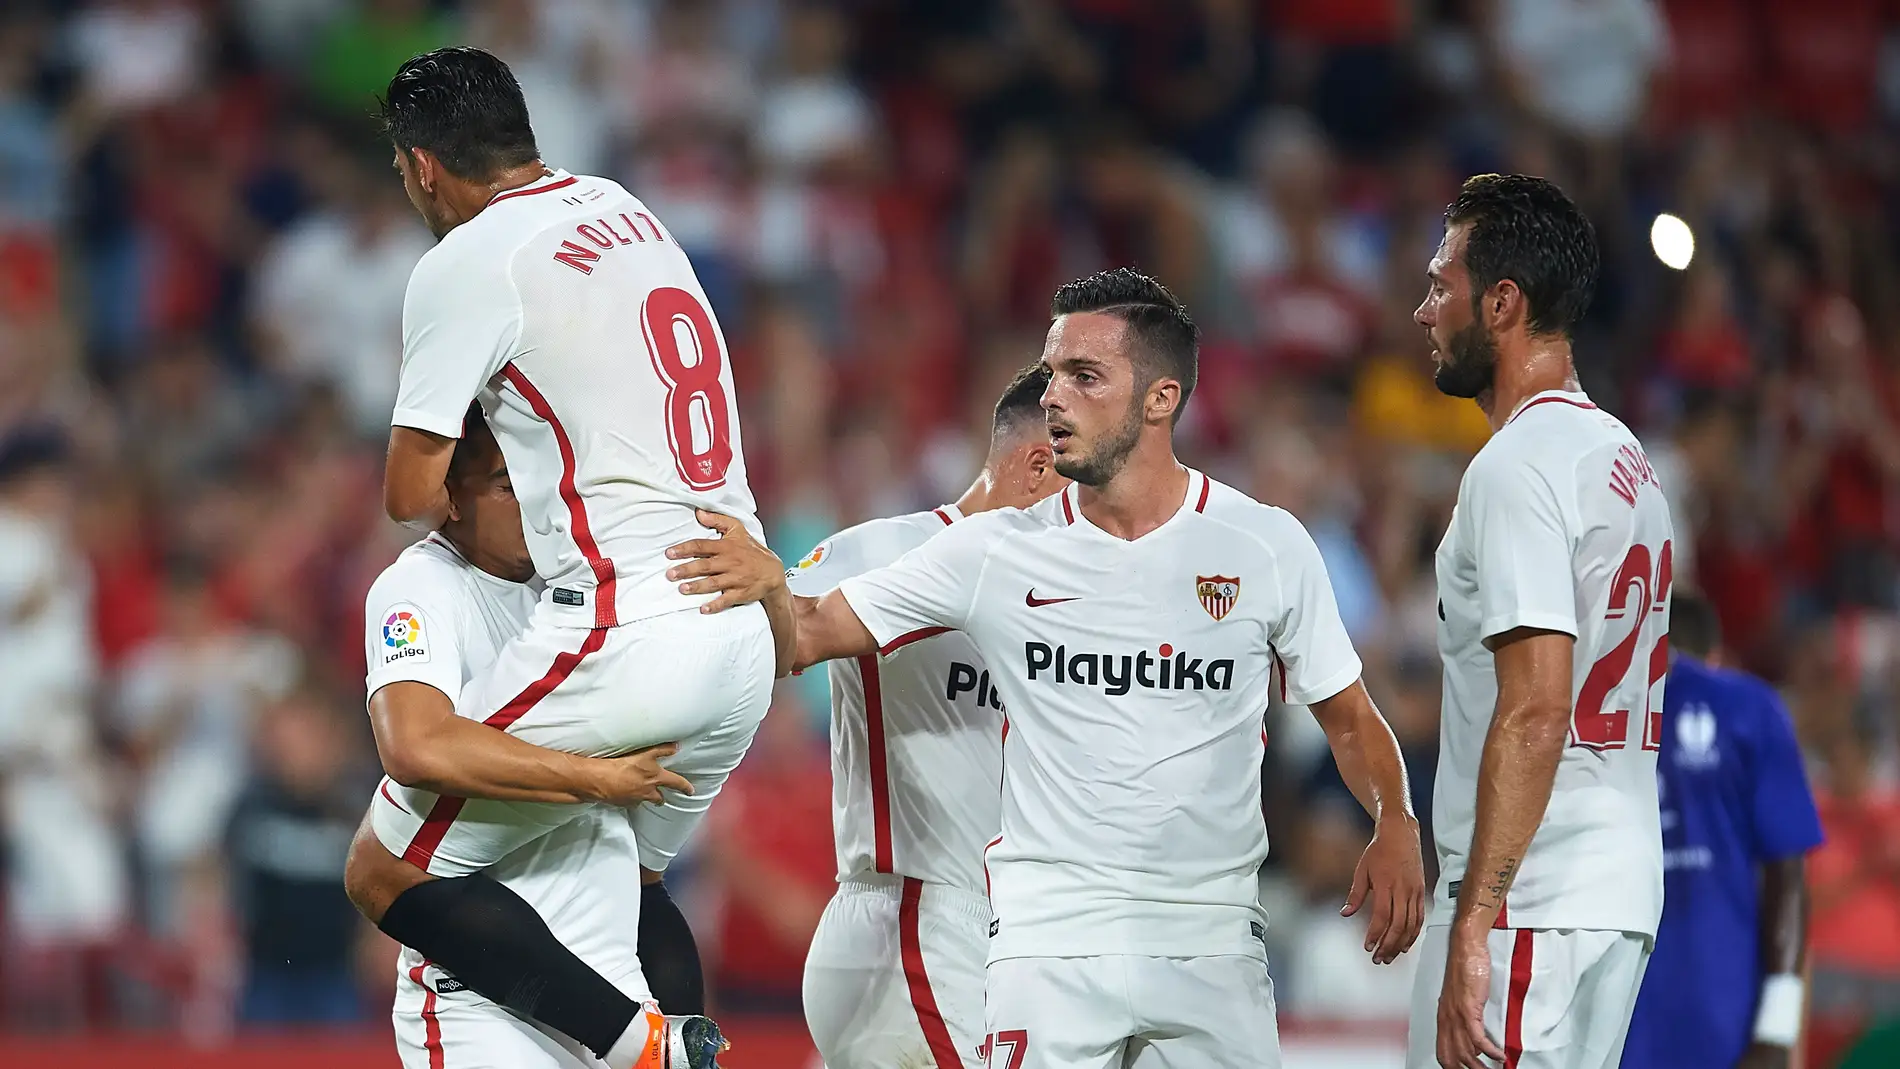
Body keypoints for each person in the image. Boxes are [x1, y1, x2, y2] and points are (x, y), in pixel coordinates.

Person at [670, 267, 1426, 1069]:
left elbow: (1349, 715)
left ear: (1161, 398)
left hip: (1211, 941)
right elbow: (811, 630)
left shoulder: (1263, 547)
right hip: (1035, 940)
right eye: (1053, 372)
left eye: (1084, 375)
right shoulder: (991, 550)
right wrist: (763, 587)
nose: (1056, 394)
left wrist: (1396, 818)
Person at [368, 47, 785, 1069]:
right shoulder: (624, 209)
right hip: (740, 619)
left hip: (631, 625)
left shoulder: (465, 261)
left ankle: (636, 1045)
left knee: (382, 869)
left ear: (423, 166)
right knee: (634, 883)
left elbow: (410, 497)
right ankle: (686, 1049)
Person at [343, 408, 719, 1068]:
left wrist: (762, 577)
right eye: (505, 484)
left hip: (607, 990)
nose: (535, 498)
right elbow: (413, 747)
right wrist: (594, 779)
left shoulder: (576, 583)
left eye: (538, 475)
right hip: (485, 1001)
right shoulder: (420, 585)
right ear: (450, 499)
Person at [1406, 174, 1674, 1069]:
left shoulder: (1518, 464)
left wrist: (1475, 920)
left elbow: (1536, 707)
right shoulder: (1625, 457)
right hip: (1611, 888)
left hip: (1531, 897)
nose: (1423, 311)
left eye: (1441, 285)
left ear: (1502, 303)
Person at [790, 364, 1067, 1069]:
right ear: (1038, 467)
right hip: (912, 921)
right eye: (1091, 487)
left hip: (997, 934)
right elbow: (772, 635)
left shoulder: (1061, 605)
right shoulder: (888, 550)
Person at [1623, 593, 1823, 1069]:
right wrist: (1778, 1029)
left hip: (1614, 1005)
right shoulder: (1749, 707)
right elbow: (1788, 874)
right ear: (1714, 655)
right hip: (1723, 1012)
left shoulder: (1589, 707)